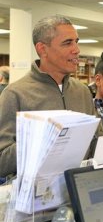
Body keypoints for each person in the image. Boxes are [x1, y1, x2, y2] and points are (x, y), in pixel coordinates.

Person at [0, 15, 95, 179]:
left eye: (76, 41)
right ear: (42, 49)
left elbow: (95, 143)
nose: (76, 49)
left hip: (79, 190)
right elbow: (2, 161)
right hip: (36, 199)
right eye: (67, 43)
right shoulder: (15, 94)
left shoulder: (82, 91)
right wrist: (39, 139)